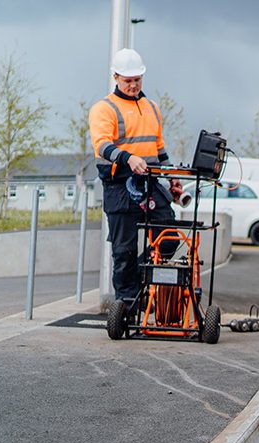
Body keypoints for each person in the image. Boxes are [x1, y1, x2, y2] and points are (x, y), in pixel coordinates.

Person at [90, 48, 180, 304]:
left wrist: (172, 175)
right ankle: (127, 304)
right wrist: (128, 158)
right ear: (116, 77)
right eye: (128, 80)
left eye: (137, 80)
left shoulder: (152, 107)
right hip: (119, 186)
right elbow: (102, 145)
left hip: (150, 183)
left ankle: (141, 281)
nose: (133, 85)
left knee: (169, 238)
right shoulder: (104, 108)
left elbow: (159, 147)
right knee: (124, 251)